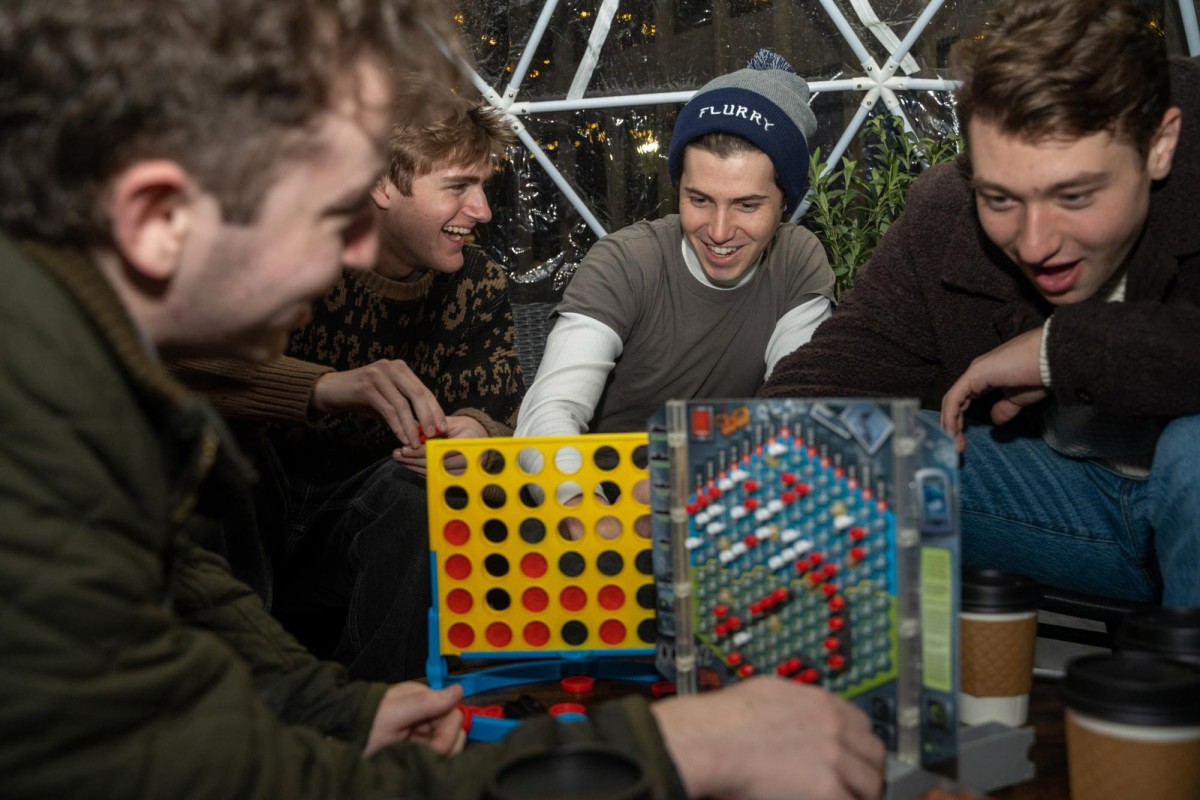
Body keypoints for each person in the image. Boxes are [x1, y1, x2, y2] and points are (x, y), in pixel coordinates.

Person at [0, 3, 887, 799]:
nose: (355, 253)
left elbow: (188, 595)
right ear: (159, 220)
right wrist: (670, 749)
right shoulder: (41, 423)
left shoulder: (78, 379)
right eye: (333, 212)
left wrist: (338, 708)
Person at [762, 0, 1200, 607]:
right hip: (1062, 500)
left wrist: (1056, 351)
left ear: (1159, 144)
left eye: (1074, 196)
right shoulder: (949, 212)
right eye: (1001, 199)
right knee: (822, 448)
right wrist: (717, 481)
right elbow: (841, 365)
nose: (1037, 242)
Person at [173, 93, 524, 682]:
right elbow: (175, 359)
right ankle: (237, 695)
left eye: (484, 187)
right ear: (382, 185)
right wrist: (325, 387)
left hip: (357, 525)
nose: (482, 210)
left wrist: (473, 433)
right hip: (247, 516)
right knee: (213, 444)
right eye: (459, 187)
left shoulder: (477, 282)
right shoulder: (287, 248)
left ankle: (380, 711)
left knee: (421, 491)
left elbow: (500, 413)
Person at [514, 49, 835, 440]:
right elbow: (549, 414)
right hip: (600, 490)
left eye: (746, 205)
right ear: (677, 188)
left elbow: (795, 414)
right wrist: (579, 497)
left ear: (784, 202)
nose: (718, 231)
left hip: (728, 485)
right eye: (699, 200)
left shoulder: (796, 261)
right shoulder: (627, 262)